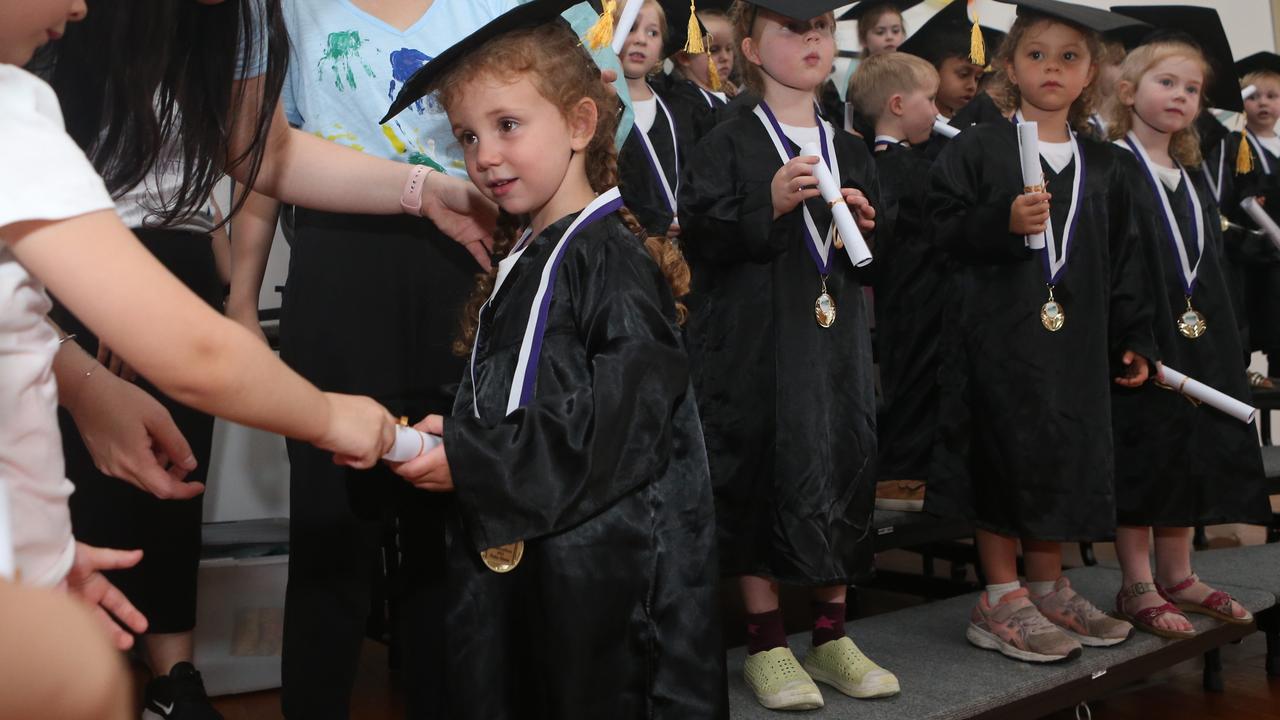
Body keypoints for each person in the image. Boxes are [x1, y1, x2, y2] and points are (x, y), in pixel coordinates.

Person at [0, 0, 396, 699]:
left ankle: (168, 682)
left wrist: (86, 390)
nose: (78, 6)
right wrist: (336, 419)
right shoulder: (20, 119)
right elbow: (198, 355)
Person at [387, 1, 722, 716]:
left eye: (508, 125)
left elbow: (619, 425)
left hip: (609, 589)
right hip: (540, 570)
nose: (485, 155)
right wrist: (460, 437)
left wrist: (477, 461)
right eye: (467, 136)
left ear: (578, 123)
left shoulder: (612, 259)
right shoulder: (529, 253)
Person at [681, 0, 897, 710]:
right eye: (790, 30)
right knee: (764, 472)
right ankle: (768, 642)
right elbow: (699, 239)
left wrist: (869, 227)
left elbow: (882, 260)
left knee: (840, 464)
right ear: (749, 46)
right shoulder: (725, 138)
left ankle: (832, 635)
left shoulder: (850, 144)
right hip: (754, 346)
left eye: (821, 30)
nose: (811, 40)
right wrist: (765, 205)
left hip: (834, 346)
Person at [926, 0, 1153, 664]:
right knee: (1003, 456)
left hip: (1076, 343)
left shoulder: (1106, 165)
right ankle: (1000, 595)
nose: (1052, 68)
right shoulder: (978, 148)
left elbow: (1127, 260)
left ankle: (1048, 585)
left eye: (1069, 57)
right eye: (1036, 54)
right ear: (1008, 66)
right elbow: (936, 232)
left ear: (1092, 74)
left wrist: (1135, 332)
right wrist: (1000, 223)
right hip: (995, 338)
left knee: (1061, 457)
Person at [1104, 11, 1271, 637]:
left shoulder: (1194, 174)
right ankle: (1137, 583)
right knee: (1147, 451)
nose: (1179, 96)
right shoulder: (1111, 166)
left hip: (1198, 333)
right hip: (1143, 337)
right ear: (1128, 91)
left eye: (1192, 89)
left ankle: (1178, 574)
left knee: (1189, 451)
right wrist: (1129, 335)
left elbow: (1208, 259)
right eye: (1165, 83)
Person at [848, 51, 940, 513]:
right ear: (900, 105)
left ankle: (914, 470)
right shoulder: (906, 169)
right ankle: (902, 475)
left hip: (912, 292)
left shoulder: (887, 165)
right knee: (916, 380)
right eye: (931, 100)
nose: (937, 112)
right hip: (913, 292)